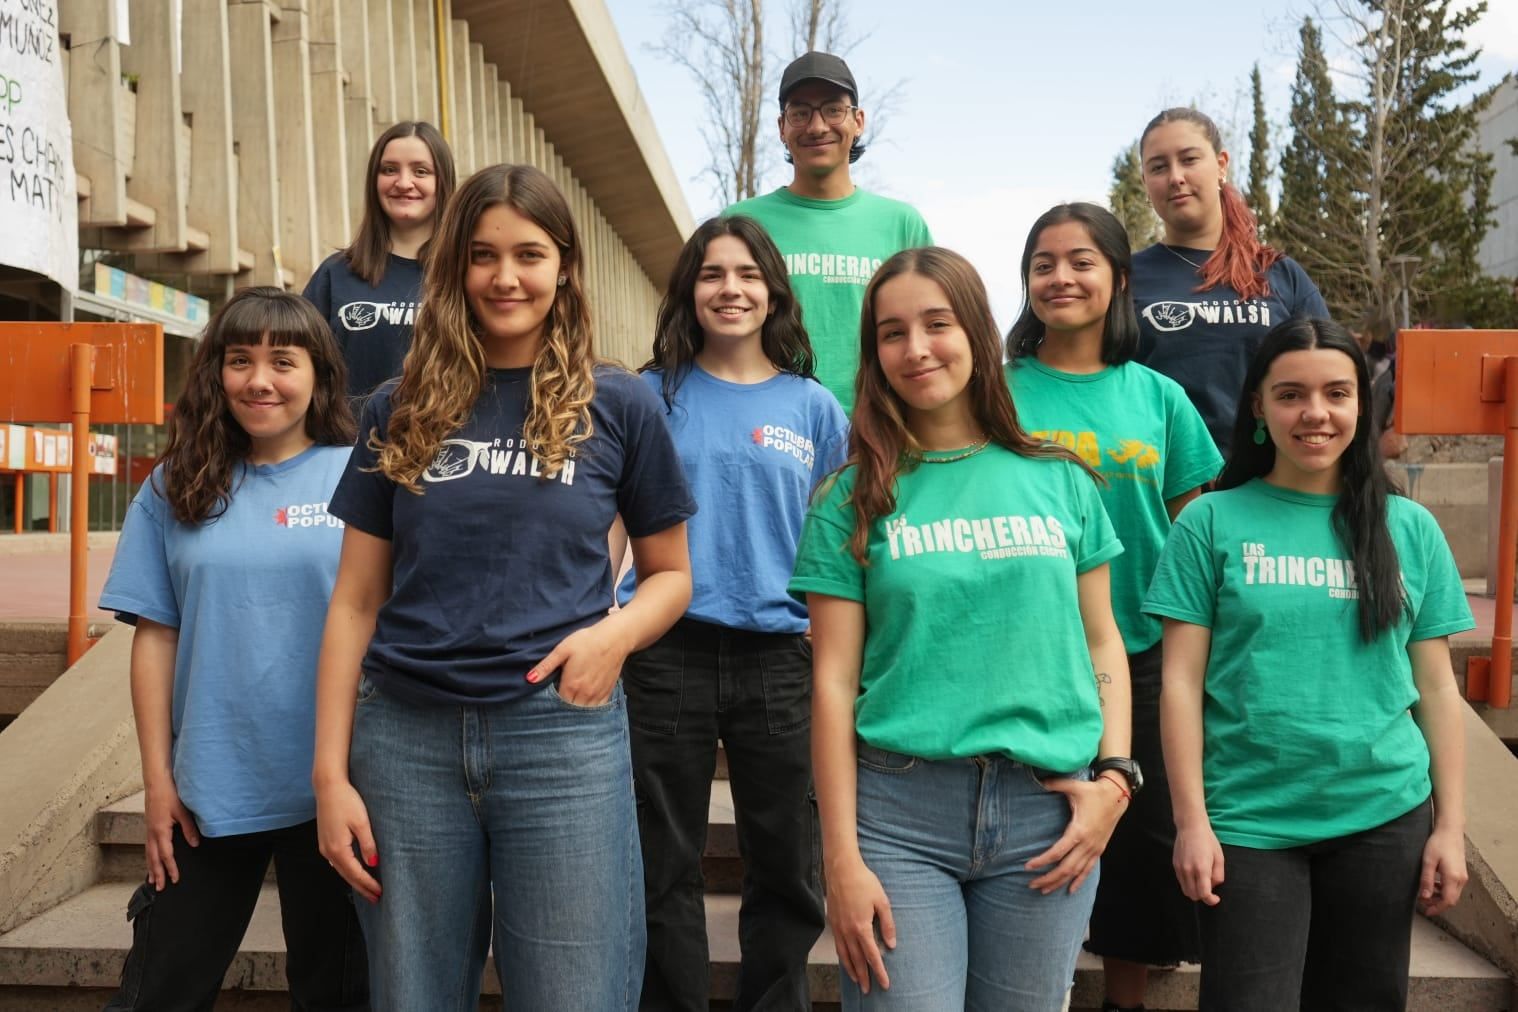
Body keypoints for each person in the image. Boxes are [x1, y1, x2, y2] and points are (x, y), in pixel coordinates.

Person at [312, 163, 696, 1011]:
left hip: (561, 736)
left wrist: (614, 635)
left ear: (564, 266)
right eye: (483, 255)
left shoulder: (619, 404)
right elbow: (355, 601)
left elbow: (671, 576)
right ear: (454, 265)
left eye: (528, 254)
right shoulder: (396, 407)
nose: (505, 277)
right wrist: (329, 776)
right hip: (404, 742)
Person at [792, 246, 1136, 1010]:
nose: (916, 349)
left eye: (937, 324)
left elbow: (1102, 640)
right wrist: (840, 857)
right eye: (892, 333)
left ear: (977, 332)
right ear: (875, 354)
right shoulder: (850, 499)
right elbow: (832, 683)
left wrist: (1116, 780)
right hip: (898, 817)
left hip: (1046, 815)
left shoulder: (1061, 480)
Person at [1146, 317, 1471, 1011]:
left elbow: (1438, 689)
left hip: (1383, 816)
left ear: (1362, 405)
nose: (1315, 413)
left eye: (1336, 393)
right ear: (1259, 408)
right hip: (1248, 821)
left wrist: (1449, 826)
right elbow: (1179, 684)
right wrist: (1191, 821)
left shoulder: (1409, 528)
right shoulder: (1209, 523)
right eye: (1291, 394)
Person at [99, 288, 366, 1011]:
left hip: (341, 786)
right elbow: (156, 636)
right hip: (210, 789)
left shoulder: (362, 475)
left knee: (338, 996)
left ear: (319, 374)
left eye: (284, 361)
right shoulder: (176, 484)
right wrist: (157, 781)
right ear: (216, 372)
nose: (260, 380)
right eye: (240, 360)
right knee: (158, 995)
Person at [617, 215, 847, 1011]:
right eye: (713, 273)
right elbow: (610, 517)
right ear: (689, 290)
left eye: (748, 274)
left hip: (781, 657)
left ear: (773, 291)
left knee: (786, 866)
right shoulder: (649, 396)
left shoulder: (814, 407)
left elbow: (839, 529)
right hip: (664, 649)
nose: (731, 289)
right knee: (661, 864)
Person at [1004, 202, 1222, 1012]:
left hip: (1144, 651)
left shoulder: (1159, 398)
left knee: (1138, 843)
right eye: (1043, 264)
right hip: (1028, 649)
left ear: (1120, 280)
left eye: (1081, 261)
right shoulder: (995, 392)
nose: (1060, 277)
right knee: (1039, 833)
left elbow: (1195, 531)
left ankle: (1123, 999)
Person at [726, 51, 932, 413]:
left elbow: (931, 329)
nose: (817, 126)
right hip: (769, 426)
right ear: (782, 127)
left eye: (833, 110)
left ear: (858, 120)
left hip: (882, 426)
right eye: (800, 113)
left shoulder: (902, 224)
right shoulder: (742, 222)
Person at [1132, 106, 1328, 451]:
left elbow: (1329, 378)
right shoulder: (1125, 279)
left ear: (1221, 165)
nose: (1175, 177)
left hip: (1270, 475)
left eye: (1189, 160)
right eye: (1158, 167)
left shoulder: (1280, 274)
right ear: (1146, 181)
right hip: (1162, 478)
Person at [303, 121, 456, 401]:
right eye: (389, 170)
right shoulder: (335, 275)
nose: (404, 183)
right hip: (349, 431)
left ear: (443, 182)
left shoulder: (464, 273)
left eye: (421, 171)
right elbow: (300, 368)